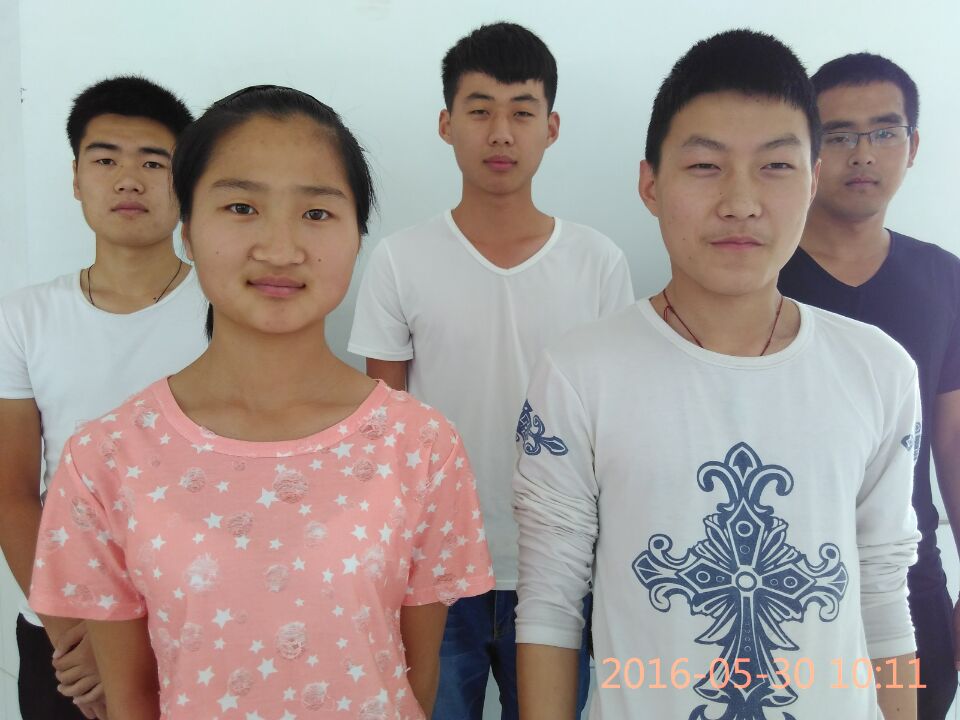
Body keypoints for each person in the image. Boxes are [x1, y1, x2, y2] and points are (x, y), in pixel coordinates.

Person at [28, 84, 493, 720]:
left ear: (357, 236)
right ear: (188, 230)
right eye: (241, 207)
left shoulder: (421, 444)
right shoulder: (106, 457)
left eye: (317, 213)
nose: (280, 248)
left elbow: (415, 680)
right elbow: (130, 699)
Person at [514, 30, 921, 720]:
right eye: (705, 166)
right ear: (650, 184)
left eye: (776, 166)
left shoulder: (879, 369)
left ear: (812, 180)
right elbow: (551, 605)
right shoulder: (580, 373)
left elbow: (884, 594)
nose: (741, 202)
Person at [348, 21, 633, 719]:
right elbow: (384, 431)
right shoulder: (400, 260)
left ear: (551, 127)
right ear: (446, 123)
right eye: (479, 111)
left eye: (521, 112)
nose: (500, 133)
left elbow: (619, 425)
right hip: (437, 570)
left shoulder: (598, 262)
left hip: (562, 566)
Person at [0, 75, 204, 720]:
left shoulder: (227, 309)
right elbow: (12, 492)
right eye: (106, 159)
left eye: (153, 162)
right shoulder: (23, 318)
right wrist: (75, 638)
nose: (128, 180)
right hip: (63, 633)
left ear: (184, 180)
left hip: (198, 621)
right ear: (76, 177)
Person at [778, 53, 960, 719]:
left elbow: (954, 442)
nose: (863, 153)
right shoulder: (759, 274)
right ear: (807, 149)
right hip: (779, 585)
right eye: (839, 134)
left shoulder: (943, 280)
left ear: (913, 146)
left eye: (884, 131)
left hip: (911, 579)